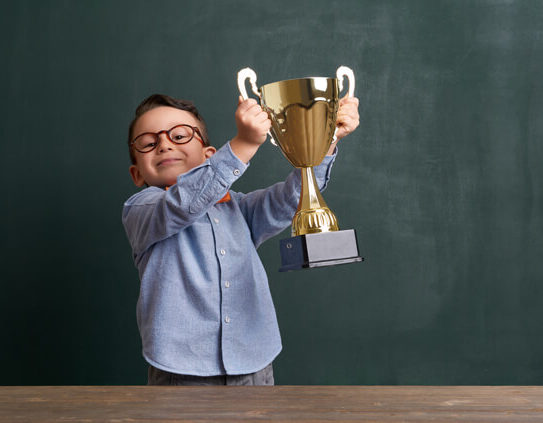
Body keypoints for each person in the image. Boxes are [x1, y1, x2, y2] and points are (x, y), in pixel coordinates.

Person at [122, 93, 360, 385]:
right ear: (136, 174)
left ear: (210, 155)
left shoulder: (239, 207)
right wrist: (244, 144)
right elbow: (181, 204)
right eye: (148, 143)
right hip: (182, 371)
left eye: (180, 135)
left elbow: (293, 198)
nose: (165, 144)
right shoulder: (141, 209)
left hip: (254, 364)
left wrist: (326, 140)